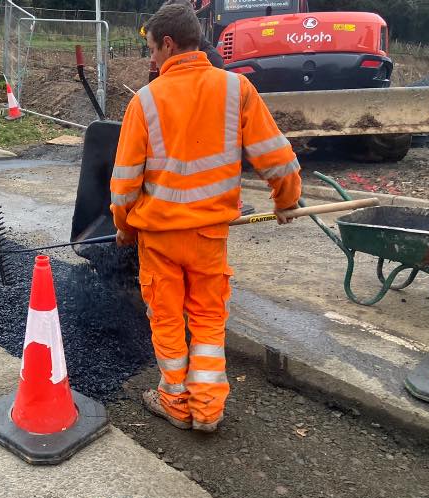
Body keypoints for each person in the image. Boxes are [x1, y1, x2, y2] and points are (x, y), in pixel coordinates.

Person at [110, 3, 301, 433]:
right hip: (209, 237)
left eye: (152, 49)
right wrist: (285, 201)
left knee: (166, 320)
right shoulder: (237, 90)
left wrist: (123, 227)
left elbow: (123, 183)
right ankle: (209, 410)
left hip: (158, 239)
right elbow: (279, 159)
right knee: (208, 320)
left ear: (169, 43)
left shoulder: (145, 101)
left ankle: (175, 404)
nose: (151, 58)